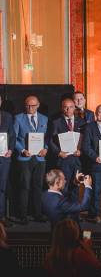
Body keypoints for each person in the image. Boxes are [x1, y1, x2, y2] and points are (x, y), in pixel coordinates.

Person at [13, 95, 49, 224]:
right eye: (27, 105)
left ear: (38, 105)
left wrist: (46, 148)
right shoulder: (18, 118)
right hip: (24, 158)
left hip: (40, 158)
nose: (30, 108)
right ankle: (23, 216)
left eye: (33, 105)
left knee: (38, 186)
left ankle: (37, 214)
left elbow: (47, 138)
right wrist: (22, 150)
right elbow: (14, 138)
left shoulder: (44, 118)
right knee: (25, 186)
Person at [48, 98, 84, 199]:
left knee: (76, 186)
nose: (68, 109)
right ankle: (63, 208)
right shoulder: (55, 122)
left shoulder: (82, 122)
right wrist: (58, 152)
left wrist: (81, 151)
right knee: (63, 186)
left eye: (71, 107)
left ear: (74, 108)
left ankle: (74, 209)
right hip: (63, 160)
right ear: (62, 108)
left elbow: (86, 140)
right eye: (65, 107)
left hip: (77, 160)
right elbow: (50, 141)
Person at [0, 99, 14, 227]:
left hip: (4, 158)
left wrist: (10, 149)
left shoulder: (8, 116)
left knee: (2, 188)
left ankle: (1, 217)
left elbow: (12, 135)